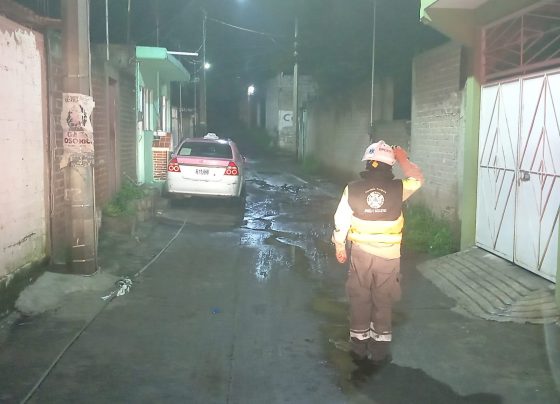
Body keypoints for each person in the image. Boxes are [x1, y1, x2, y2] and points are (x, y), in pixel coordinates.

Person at [332, 140, 424, 365]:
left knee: (359, 299)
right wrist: (402, 157)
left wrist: (339, 245)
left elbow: (341, 219)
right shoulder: (399, 188)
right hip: (389, 257)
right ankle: (380, 353)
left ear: (367, 162)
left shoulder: (352, 188)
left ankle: (358, 349)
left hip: (360, 255)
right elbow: (418, 179)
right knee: (383, 301)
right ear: (389, 165)